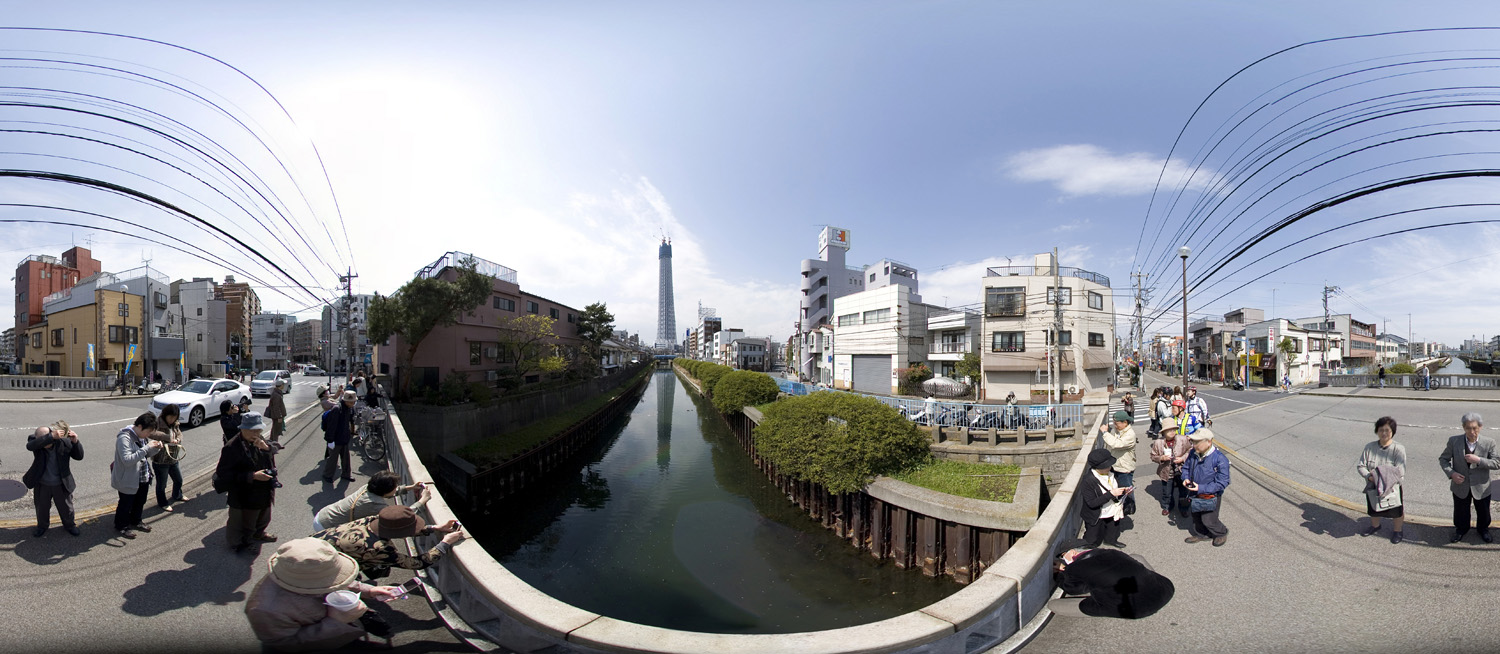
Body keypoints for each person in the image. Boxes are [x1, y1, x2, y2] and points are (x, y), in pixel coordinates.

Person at [244, 538, 404, 651]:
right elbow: (285, 644)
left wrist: (368, 590)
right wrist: (336, 622)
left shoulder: (295, 569)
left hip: (340, 630)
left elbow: (336, 581)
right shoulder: (264, 610)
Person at [314, 505, 465, 580]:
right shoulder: (379, 548)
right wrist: (445, 543)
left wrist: (434, 528)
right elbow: (417, 563)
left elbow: (399, 528)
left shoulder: (372, 520)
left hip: (315, 543)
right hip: (320, 567)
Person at [1048, 542, 1174, 619]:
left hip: (1137, 609)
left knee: (1053, 605)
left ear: (1073, 552)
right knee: (1135, 557)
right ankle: (1145, 581)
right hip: (1165, 589)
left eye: (1063, 556)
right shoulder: (1113, 552)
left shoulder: (1075, 568)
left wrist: (1062, 572)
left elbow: (1073, 590)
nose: (1064, 559)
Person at [218, 411, 279, 552]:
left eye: (259, 430)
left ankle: (259, 534)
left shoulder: (259, 439)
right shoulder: (231, 447)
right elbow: (223, 474)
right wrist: (252, 476)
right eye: (253, 431)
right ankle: (239, 544)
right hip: (243, 492)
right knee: (241, 523)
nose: (256, 434)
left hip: (263, 488)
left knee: (264, 515)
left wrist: (266, 448)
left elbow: (274, 448)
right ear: (242, 429)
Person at [1438, 412, 1499, 544]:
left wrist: (1478, 460)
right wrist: (1452, 474)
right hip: (1460, 485)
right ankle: (1461, 530)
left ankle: (1483, 530)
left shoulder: (1489, 443)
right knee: (1461, 511)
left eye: (1474, 428)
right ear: (1463, 428)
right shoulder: (1454, 441)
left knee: (1483, 511)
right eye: (1468, 428)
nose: (1471, 432)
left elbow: (1496, 463)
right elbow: (1443, 459)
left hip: (1481, 486)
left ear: (1480, 427)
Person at [313, 472, 431, 531]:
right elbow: (402, 516)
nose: (396, 488)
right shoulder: (375, 505)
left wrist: (410, 488)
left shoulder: (368, 487)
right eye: (396, 486)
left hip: (325, 513)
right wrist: (423, 500)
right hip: (326, 525)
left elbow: (387, 492)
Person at [23, 422, 84, 537]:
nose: (46, 443)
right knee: (42, 508)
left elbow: (79, 456)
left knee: (66, 508)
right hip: (42, 484)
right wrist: (49, 437)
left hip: (61, 483)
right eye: (43, 440)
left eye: (49, 438)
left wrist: (76, 442)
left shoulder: (63, 442)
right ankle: (42, 526)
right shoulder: (36, 444)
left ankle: (69, 525)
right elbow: (29, 446)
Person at [112, 412, 166, 540]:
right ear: (140, 427)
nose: (149, 435)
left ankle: (136, 520)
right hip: (128, 478)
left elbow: (144, 455)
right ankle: (121, 526)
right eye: (148, 431)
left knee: (140, 501)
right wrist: (147, 448)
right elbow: (127, 460)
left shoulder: (141, 437)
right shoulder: (124, 438)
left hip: (143, 476)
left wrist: (156, 448)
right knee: (126, 503)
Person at [1357, 416, 1406, 544]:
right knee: (1374, 508)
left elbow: (1400, 470)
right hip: (1373, 484)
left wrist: (1385, 479)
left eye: (1387, 430)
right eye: (1381, 430)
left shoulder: (1398, 448)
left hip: (1392, 486)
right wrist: (1369, 477)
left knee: (1396, 511)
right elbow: (1361, 466)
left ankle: (1397, 530)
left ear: (1392, 432)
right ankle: (1375, 526)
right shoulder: (1369, 447)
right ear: (1377, 431)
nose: (1384, 433)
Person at [1181, 427, 1230, 546]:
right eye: (1193, 442)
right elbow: (1186, 468)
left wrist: (1201, 488)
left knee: (1209, 519)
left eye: (1197, 442)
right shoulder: (1193, 453)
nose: (1194, 445)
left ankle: (1221, 533)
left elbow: (1222, 482)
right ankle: (1202, 534)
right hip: (1194, 492)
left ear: (1209, 442)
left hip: (1211, 495)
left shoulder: (1220, 459)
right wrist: (1185, 478)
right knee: (1196, 516)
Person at [1079, 449, 1130, 548]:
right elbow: (1092, 503)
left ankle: (1111, 540)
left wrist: (1123, 491)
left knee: (1113, 528)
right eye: (1106, 466)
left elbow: (1116, 484)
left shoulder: (1110, 471)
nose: (1109, 467)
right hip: (1097, 513)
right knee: (1092, 538)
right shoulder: (1088, 481)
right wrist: (1111, 494)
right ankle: (1089, 546)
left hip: (1112, 508)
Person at [1098, 411, 1138, 516]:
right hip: (1117, 465)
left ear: (1125, 422)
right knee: (1119, 487)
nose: (1115, 425)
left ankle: (1130, 507)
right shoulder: (1120, 430)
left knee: (1126, 488)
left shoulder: (1130, 434)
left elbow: (1116, 444)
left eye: (1116, 423)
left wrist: (1105, 433)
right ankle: (1122, 506)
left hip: (1124, 467)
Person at [1149, 423, 1191, 520]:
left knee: (1183, 491)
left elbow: (1190, 450)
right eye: (1169, 430)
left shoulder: (1183, 439)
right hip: (1166, 471)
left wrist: (1182, 458)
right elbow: (1152, 456)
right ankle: (1167, 506)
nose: (1172, 432)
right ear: (1163, 432)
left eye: (1174, 429)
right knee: (1167, 492)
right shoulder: (1158, 442)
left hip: (1182, 470)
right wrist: (1161, 458)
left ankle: (1184, 508)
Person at [150, 404, 186, 512]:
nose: (172, 420)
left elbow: (179, 434)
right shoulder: (157, 422)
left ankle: (177, 495)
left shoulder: (175, 424)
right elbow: (151, 433)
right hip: (160, 460)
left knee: (178, 480)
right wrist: (167, 437)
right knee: (162, 484)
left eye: (174, 417)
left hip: (173, 457)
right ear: (165, 415)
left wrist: (178, 439)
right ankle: (163, 503)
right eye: (170, 417)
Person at [323, 390, 359, 483]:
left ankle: (346, 474)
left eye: (354, 402)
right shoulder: (337, 409)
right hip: (335, 439)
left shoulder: (348, 408)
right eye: (352, 402)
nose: (353, 403)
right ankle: (327, 475)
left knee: (346, 458)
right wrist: (330, 440)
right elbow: (331, 426)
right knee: (333, 459)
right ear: (346, 401)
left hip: (344, 437)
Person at [266, 378, 288, 444]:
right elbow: (276, 407)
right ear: (281, 385)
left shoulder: (276, 393)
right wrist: (279, 416)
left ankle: (272, 441)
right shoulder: (277, 395)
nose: (284, 385)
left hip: (276, 415)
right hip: (276, 416)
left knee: (275, 429)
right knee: (276, 430)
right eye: (283, 384)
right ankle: (275, 443)